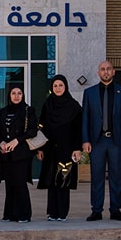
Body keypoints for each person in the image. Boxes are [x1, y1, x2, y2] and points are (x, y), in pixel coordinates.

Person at [81, 60, 121, 221]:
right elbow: (85, 118)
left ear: (113, 72)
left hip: (116, 142)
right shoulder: (89, 93)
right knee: (96, 177)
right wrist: (85, 140)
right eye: (103, 69)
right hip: (97, 141)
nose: (106, 72)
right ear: (98, 73)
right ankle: (96, 210)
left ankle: (115, 210)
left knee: (116, 177)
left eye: (108, 69)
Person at [36, 75, 82, 221]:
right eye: (55, 86)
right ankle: (52, 212)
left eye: (60, 85)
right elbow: (42, 127)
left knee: (63, 179)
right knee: (51, 180)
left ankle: (62, 213)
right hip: (50, 148)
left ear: (65, 87)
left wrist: (77, 148)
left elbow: (78, 129)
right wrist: (40, 148)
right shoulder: (47, 104)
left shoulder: (73, 106)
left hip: (67, 148)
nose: (58, 88)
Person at [0, 84, 38, 222]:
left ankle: (24, 214)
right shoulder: (3, 111)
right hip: (6, 154)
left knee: (20, 183)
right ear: (9, 95)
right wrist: (1, 143)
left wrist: (17, 141)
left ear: (23, 95)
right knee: (10, 184)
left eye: (19, 93)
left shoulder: (28, 111)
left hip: (21, 153)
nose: (16, 96)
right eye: (13, 93)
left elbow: (32, 130)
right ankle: (10, 214)